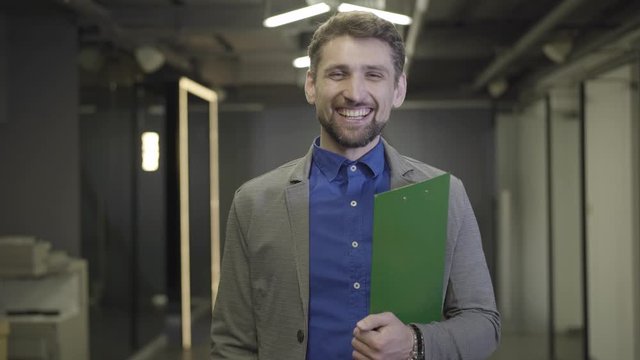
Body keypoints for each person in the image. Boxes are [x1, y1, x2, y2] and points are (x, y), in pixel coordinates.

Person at [210, 11, 500, 360]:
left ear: (398, 89)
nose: (354, 92)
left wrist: (414, 342)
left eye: (374, 75)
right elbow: (232, 344)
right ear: (311, 85)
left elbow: (483, 325)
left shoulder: (445, 194)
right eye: (338, 73)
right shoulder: (255, 203)